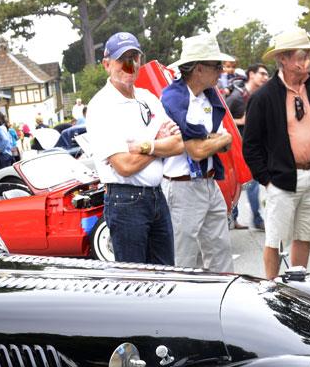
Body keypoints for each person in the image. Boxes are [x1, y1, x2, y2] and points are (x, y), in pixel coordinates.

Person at [86, 31, 184, 264]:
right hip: (125, 200)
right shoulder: (101, 105)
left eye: (134, 57)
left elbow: (178, 144)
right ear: (107, 65)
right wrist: (158, 142)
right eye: (122, 59)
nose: (129, 65)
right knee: (137, 285)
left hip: (156, 197)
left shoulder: (148, 97)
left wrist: (142, 145)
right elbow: (124, 166)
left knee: (167, 278)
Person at [243, 28, 310, 279]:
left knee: (305, 236)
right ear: (283, 59)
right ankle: (269, 289)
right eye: (302, 56)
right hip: (281, 181)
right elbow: (250, 145)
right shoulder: (263, 97)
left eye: (309, 55)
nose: (307, 62)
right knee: (275, 240)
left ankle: (297, 286)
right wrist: (267, 180)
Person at [160, 33, 235, 272]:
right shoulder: (173, 99)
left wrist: (213, 139)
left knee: (221, 255)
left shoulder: (208, 96)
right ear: (199, 69)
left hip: (208, 183)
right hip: (183, 188)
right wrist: (215, 139)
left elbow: (226, 142)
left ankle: (220, 306)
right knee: (183, 261)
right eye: (217, 65)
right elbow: (197, 151)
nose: (221, 70)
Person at [227, 62, 269, 230]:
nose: (265, 77)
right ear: (251, 75)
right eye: (262, 74)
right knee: (249, 182)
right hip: (238, 147)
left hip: (255, 146)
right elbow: (224, 118)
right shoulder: (238, 96)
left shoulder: (259, 95)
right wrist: (241, 121)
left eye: (267, 74)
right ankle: (256, 219)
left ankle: (235, 217)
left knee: (247, 182)